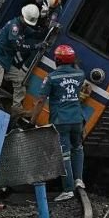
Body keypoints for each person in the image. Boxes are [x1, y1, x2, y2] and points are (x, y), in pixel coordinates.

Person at [29, 44, 86, 202]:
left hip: (60, 120)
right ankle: (78, 180)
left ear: (57, 60)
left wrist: (32, 120)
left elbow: (41, 100)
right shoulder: (80, 74)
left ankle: (68, 189)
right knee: (78, 148)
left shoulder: (52, 77)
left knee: (64, 154)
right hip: (77, 119)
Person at [0, 4, 44, 116]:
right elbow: (18, 46)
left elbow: (34, 33)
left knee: (21, 79)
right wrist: (35, 46)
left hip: (4, 62)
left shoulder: (22, 26)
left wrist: (45, 31)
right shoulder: (15, 27)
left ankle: (16, 107)